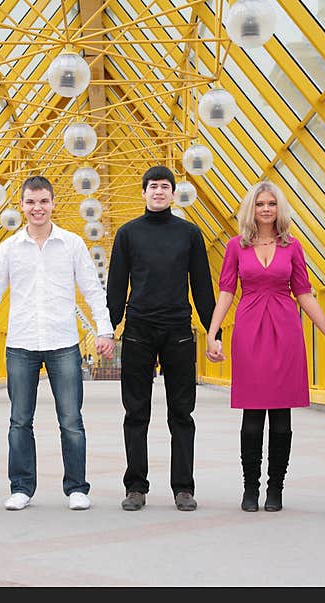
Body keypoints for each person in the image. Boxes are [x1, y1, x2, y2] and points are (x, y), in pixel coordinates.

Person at [0, 176, 115, 511]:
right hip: (21, 343)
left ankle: (76, 487)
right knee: (20, 419)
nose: (37, 208)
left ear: (53, 204)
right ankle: (21, 487)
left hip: (63, 341)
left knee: (71, 420)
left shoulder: (73, 244)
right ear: (21, 205)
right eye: (31, 202)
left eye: (43, 201)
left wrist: (104, 330)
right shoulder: (8, 248)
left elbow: (92, 290)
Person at [205, 181, 325, 512]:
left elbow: (303, 293)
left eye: (271, 203)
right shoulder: (235, 246)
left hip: (285, 330)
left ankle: (276, 489)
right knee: (251, 417)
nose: (265, 209)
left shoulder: (293, 247)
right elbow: (227, 292)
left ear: (279, 208)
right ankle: (250, 489)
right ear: (251, 208)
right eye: (260, 203)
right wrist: (213, 332)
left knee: (282, 418)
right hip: (248, 330)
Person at [106, 165, 218, 512]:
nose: (158, 191)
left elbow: (202, 286)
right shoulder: (127, 234)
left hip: (178, 330)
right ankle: (135, 487)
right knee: (135, 412)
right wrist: (108, 330)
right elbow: (116, 286)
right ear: (143, 193)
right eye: (152, 186)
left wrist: (214, 334)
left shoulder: (189, 233)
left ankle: (183, 488)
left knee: (182, 412)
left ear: (173, 193)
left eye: (164, 186)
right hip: (138, 329)